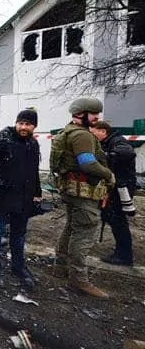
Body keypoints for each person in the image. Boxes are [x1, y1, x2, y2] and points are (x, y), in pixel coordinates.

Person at [51, 98, 115, 299]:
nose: (97, 117)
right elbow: (87, 163)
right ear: (82, 114)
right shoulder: (82, 136)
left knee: (71, 228)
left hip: (72, 190)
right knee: (84, 233)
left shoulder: (68, 131)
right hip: (83, 193)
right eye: (94, 113)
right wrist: (108, 175)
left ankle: (60, 267)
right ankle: (79, 280)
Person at [0, 108, 41, 289]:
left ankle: (18, 267)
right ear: (16, 123)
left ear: (34, 126)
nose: (23, 127)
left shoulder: (33, 144)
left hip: (24, 197)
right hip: (2, 195)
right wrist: (1, 147)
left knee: (19, 235)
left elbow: (33, 171)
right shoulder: (4, 137)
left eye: (28, 124)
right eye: (21, 123)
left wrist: (37, 193)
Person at [90, 121, 136, 266]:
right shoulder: (107, 142)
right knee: (111, 216)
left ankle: (124, 256)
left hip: (121, 187)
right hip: (115, 186)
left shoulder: (117, 141)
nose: (92, 135)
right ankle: (122, 251)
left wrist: (106, 156)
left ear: (103, 131)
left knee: (118, 220)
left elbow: (128, 152)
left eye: (94, 132)